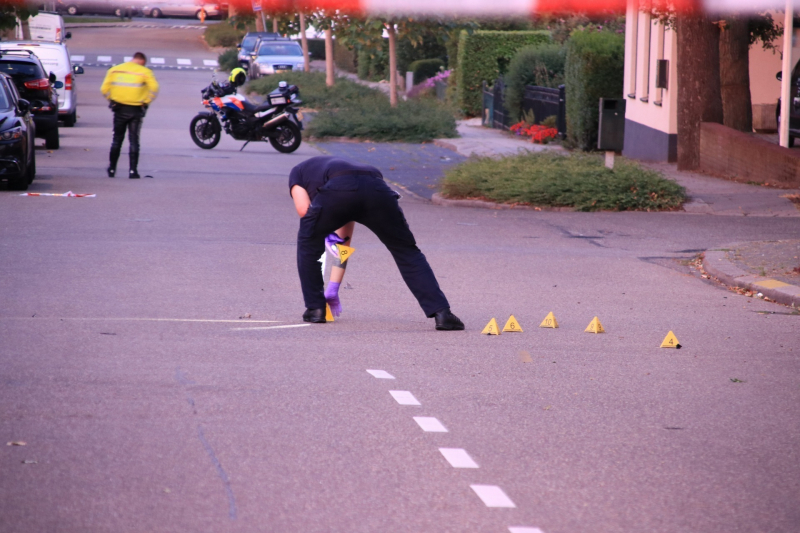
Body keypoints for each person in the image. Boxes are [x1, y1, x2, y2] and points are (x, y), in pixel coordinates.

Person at [289, 156, 465, 331]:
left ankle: (315, 308)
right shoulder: (340, 167)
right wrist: (334, 287)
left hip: (339, 190)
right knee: (406, 250)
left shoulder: (297, 173)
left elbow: (304, 210)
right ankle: (442, 313)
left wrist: (321, 227)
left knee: (308, 244)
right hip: (376, 187)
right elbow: (344, 236)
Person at [100, 52, 159, 179]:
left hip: (119, 108)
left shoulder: (114, 70)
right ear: (142, 62)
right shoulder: (145, 72)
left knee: (117, 140)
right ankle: (133, 171)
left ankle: (112, 169)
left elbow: (104, 89)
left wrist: (112, 100)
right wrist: (146, 101)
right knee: (134, 140)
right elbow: (154, 88)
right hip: (136, 109)